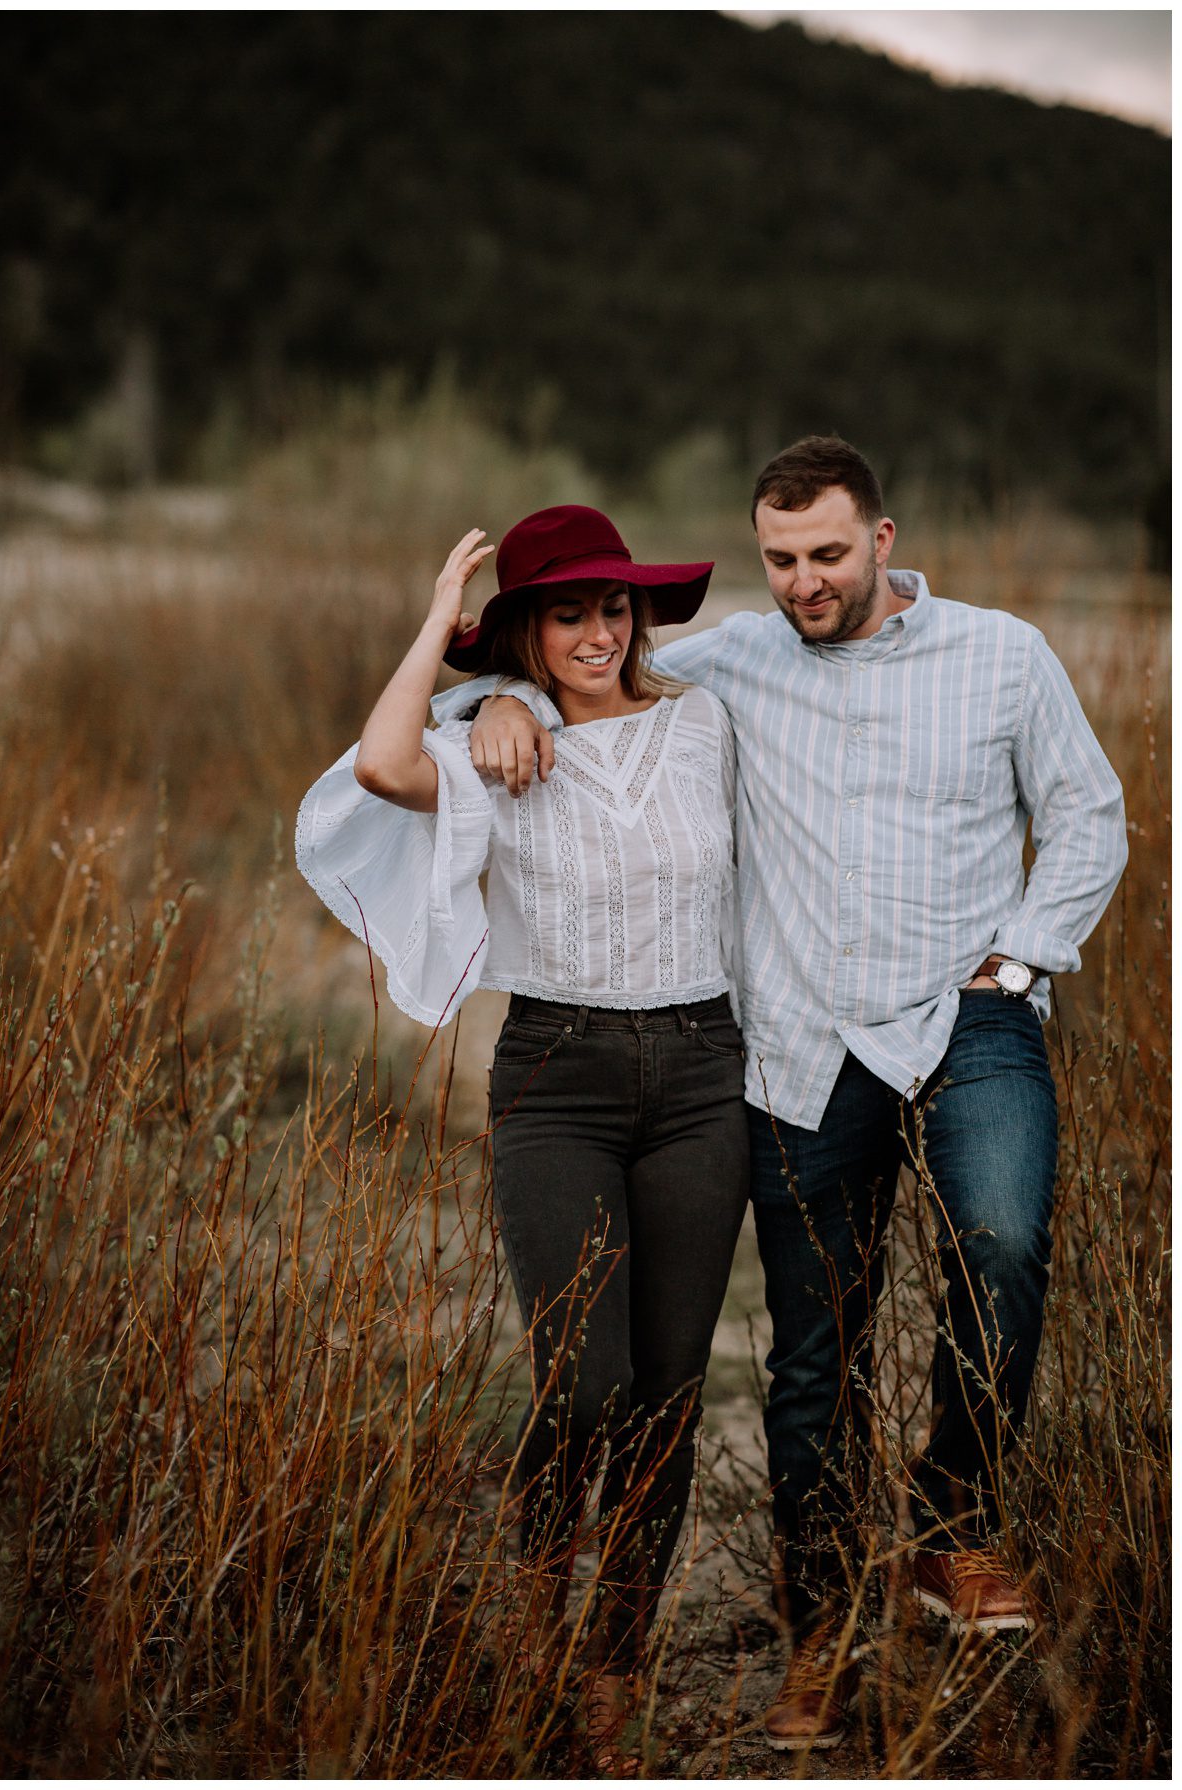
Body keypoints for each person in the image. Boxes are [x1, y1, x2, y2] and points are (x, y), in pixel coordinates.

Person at [437, 437, 1128, 1752]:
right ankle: (817, 1644)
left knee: (1006, 1239)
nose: (805, 581)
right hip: (806, 1046)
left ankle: (949, 1528)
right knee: (814, 1363)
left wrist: (1021, 955)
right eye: (780, 558)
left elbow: (1088, 814)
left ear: (883, 537)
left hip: (967, 1015)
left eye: (827, 553)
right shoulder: (739, 660)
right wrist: (489, 710)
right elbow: (590, 676)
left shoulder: (1005, 655)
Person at [296, 505, 749, 1773]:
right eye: (567, 612)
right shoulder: (490, 743)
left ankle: (612, 1661)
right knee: (584, 1377)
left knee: (667, 1401)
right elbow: (383, 766)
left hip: (706, 1073)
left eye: (615, 606)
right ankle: (533, 1609)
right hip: (560, 1076)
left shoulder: (704, 720)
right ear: (525, 634)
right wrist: (456, 642)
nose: (599, 630)